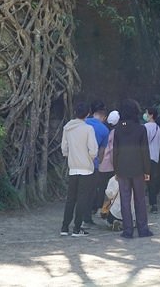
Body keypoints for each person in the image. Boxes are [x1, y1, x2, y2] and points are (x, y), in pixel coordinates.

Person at [113, 99, 153, 238]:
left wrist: (116, 169)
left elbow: (115, 151)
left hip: (122, 169)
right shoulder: (141, 129)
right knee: (140, 199)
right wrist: (147, 170)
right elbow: (145, 151)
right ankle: (143, 229)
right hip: (138, 169)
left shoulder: (117, 130)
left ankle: (127, 230)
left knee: (125, 200)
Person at [61, 102, 98, 237]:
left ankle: (65, 227)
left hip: (73, 167)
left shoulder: (67, 128)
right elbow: (93, 150)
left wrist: (70, 155)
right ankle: (77, 228)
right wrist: (90, 158)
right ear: (87, 114)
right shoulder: (88, 129)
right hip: (86, 168)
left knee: (70, 198)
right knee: (82, 198)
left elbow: (64, 148)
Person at [84, 101, 110, 224]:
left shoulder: (82, 123)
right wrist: (98, 162)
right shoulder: (104, 130)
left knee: (77, 191)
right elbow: (102, 151)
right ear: (104, 116)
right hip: (92, 164)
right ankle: (87, 217)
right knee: (90, 192)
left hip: (77, 162)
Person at [143, 106, 160, 213]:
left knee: (142, 181)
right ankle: (153, 204)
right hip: (155, 158)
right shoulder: (157, 128)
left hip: (146, 158)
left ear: (150, 115)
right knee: (152, 182)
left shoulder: (145, 127)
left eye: (146, 112)